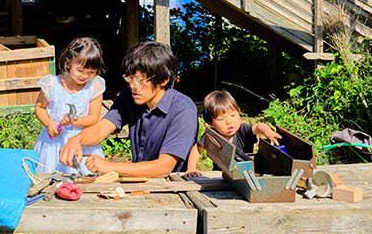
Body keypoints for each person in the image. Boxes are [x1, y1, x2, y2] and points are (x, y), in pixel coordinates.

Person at [59, 41, 198, 178]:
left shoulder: (183, 110)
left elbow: (163, 168)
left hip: (174, 187)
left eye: (140, 80)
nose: (133, 86)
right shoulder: (130, 96)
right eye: (130, 79)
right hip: (139, 182)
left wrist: (109, 166)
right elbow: (101, 129)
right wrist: (76, 140)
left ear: (164, 80)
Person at [34, 37, 106, 174]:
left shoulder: (95, 86)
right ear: (68, 63)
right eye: (80, 70)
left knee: (83, 181)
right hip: (53, 144)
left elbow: (93, 117)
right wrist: (49, 123)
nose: (85, 76)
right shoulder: (51, 84)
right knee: (51, 180)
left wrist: (74, 120)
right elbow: (39, 107)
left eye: (91, 72)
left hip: (82, 144)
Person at [185, 90, 282, 177]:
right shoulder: (212, 135)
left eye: (233, 115)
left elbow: (258, 126)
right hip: (221, 176)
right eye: (221, 119)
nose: (229, 122)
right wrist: (191, 167)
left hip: (246, 175)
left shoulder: (243, 130)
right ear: (211, 123)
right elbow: (197, 149)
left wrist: (268, 132)